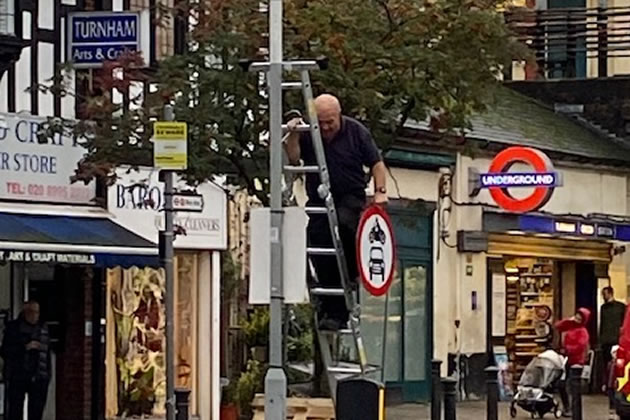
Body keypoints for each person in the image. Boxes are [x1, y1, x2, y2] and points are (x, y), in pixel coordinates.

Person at [285, 94, 388, 330]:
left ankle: (352, 272)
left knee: (344, 226)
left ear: (339, 115)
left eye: (329, 121)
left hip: (349, 196)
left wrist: (380, 191)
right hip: (319, 198)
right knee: (319, 243)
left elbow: (376, 163)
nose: (325, 127)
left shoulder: (356, 131)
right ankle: (332, 309)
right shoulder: (309, 132)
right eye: (320, 122)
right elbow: (294, 157)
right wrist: (293, 133)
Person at [1, 301, 51, 420]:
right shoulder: (13, 328)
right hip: (18, 375)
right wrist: (25, 347)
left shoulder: (43, 328)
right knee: (15, 409)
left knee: (36, 411)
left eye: (37, 312)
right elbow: (5, 351)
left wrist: (47, 374)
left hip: (39, 375)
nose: (34, 316)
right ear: (24, 313)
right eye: (31, 312)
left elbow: (47, 351)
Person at [555, 308, 591, 417]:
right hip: (568, 360)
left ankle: (576, 415)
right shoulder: (571, 327)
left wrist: (567, 349)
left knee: (575, 392)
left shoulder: (582, 331)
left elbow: (580, 346)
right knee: (562, 385)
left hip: (576, 363)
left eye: (580, 318)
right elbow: (558, 326)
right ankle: (568, 408)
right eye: (577, 316)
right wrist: (569, 320)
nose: (577, 319)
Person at [600, 286, 626, 386]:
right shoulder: (604, 308)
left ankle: (616, 382)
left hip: (615, 339)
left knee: (617, 362)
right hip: (608, 340)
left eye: (605, 294)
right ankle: (609, 383)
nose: (603, 296)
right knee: (608, 363)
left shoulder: (620, 307)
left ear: (610, 293)